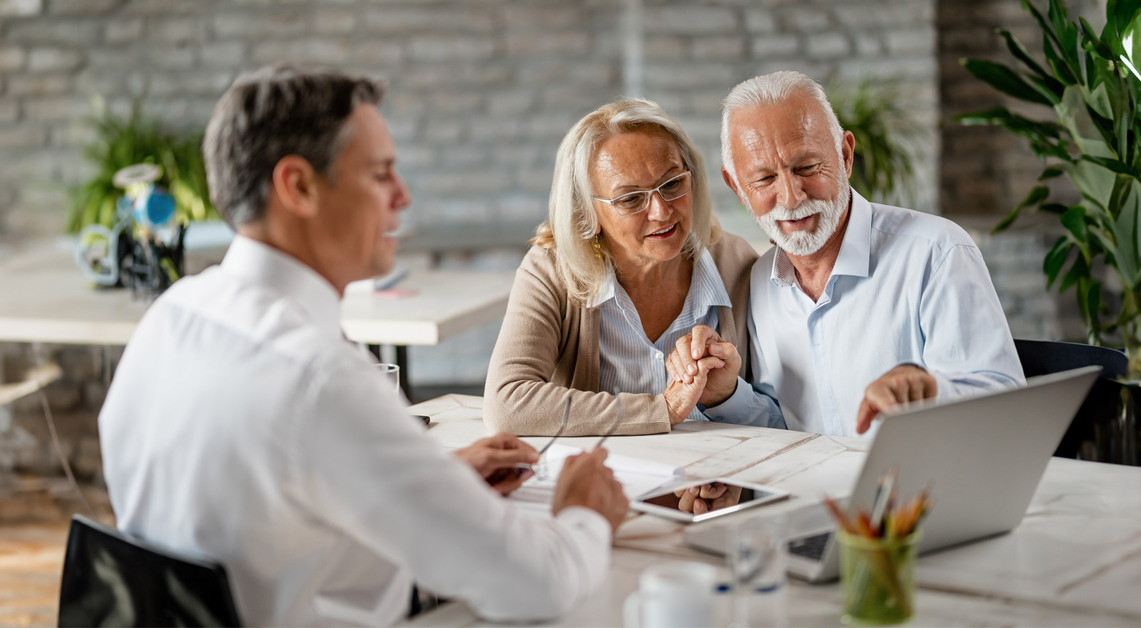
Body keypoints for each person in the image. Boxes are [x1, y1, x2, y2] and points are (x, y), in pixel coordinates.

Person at [98, 65, 628, 627]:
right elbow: (535, 586)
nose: (402, 196)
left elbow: (250, 503)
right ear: (298, 186)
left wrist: (417, 480)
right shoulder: (320, 379)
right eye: (380, 174)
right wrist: (583, 513)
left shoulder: (173, 315)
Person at [668, 71, 1024, 437]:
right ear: (738, 189)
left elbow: (1006, 407)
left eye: (806, 167)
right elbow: (788, 429)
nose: (791, 198)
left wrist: (930, 392)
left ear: (845, 155)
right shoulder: (761, 280)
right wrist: (725, 395)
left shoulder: (936, 252)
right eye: (764, 180)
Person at [483, 98, 766, 436]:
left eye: (672, 184)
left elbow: (784, 415)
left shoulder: (738, 262)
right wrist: (663, 409)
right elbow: (507, 404)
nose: (661, 212)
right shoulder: (552, 271)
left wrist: (726, 395)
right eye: (630, 199)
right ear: (588, 213)